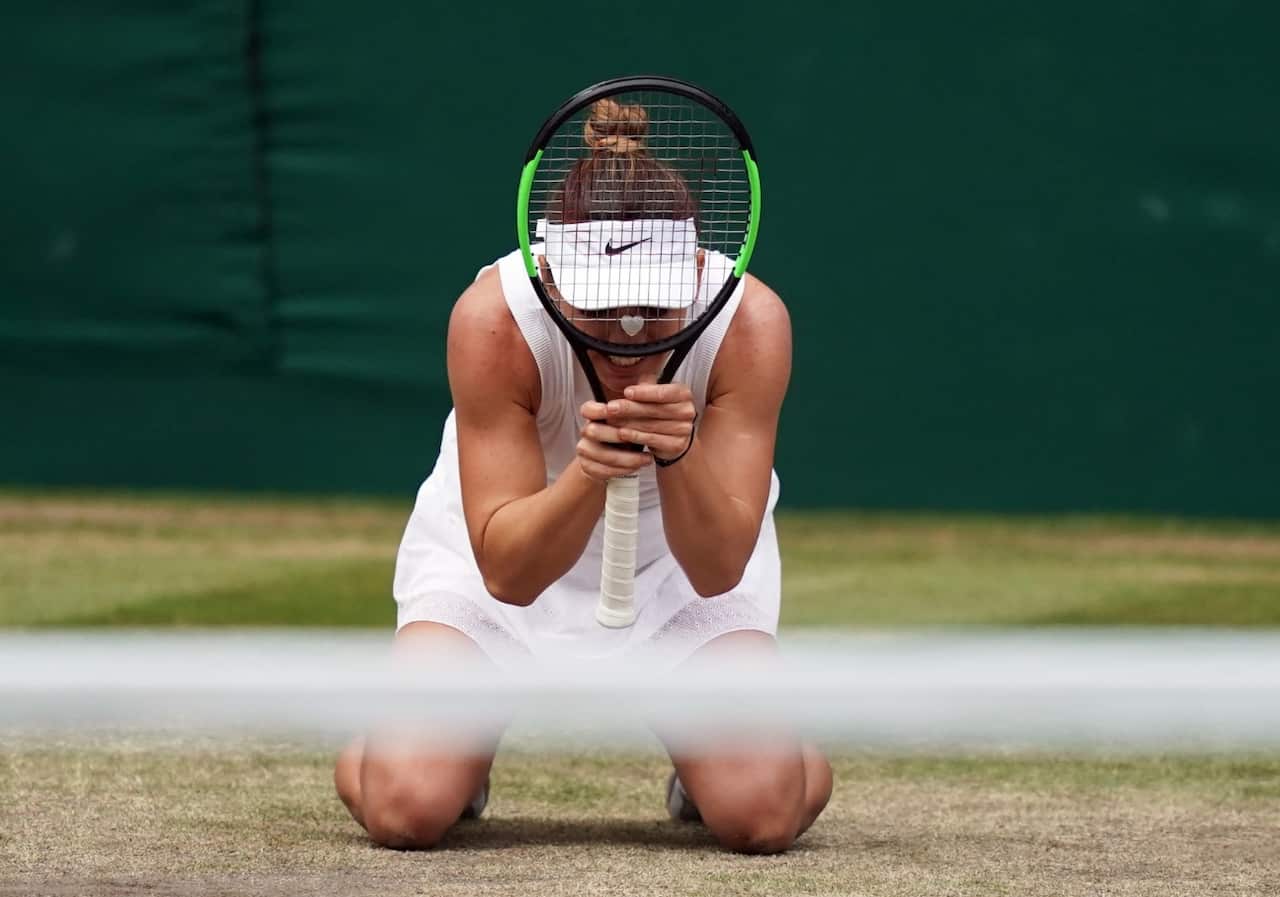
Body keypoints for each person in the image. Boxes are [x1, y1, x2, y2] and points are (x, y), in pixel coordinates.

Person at [333, 99, 832, 854]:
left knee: (762, 814)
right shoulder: (494, 320)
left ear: (696, 270)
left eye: (653, 307)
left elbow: (719, 567)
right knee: (405, 807)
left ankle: (756, 751)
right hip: (499, 560)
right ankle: (428, 745)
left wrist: (677, 454)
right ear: (550, 277)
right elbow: (506, 573)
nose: (629, 334)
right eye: (601, 309)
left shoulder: (750, 323)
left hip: (682, 577)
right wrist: (587, 475)